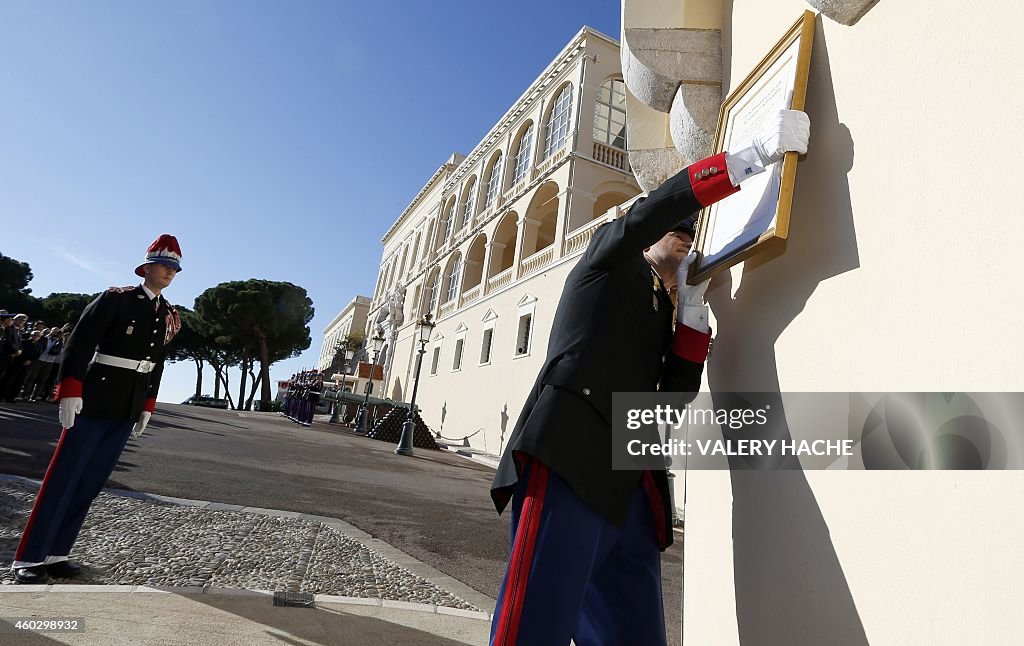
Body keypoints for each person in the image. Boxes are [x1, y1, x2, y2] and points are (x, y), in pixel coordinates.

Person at [488, 109, 810, 645]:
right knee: (534, 628)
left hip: (634, 490)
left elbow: (670, 399)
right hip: (572, 461)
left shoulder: (665, 307)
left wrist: (690, 314)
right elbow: (650, 212)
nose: (685, 234)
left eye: (691, 232)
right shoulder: (606, 262)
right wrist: (745, 159)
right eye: (677, 227)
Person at [11, 234, 183, 584]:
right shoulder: (116, 298)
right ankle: (28, 557)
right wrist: (71, 389)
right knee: (64, 477)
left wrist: (148, 403)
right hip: (95, 397)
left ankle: (57, 553)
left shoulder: (167, 314)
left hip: (127, 405)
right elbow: (81, 341)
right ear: (147, 266)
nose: (169, 272)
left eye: (175, 268)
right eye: (164, 265)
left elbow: (158, 362)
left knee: (90, 482)